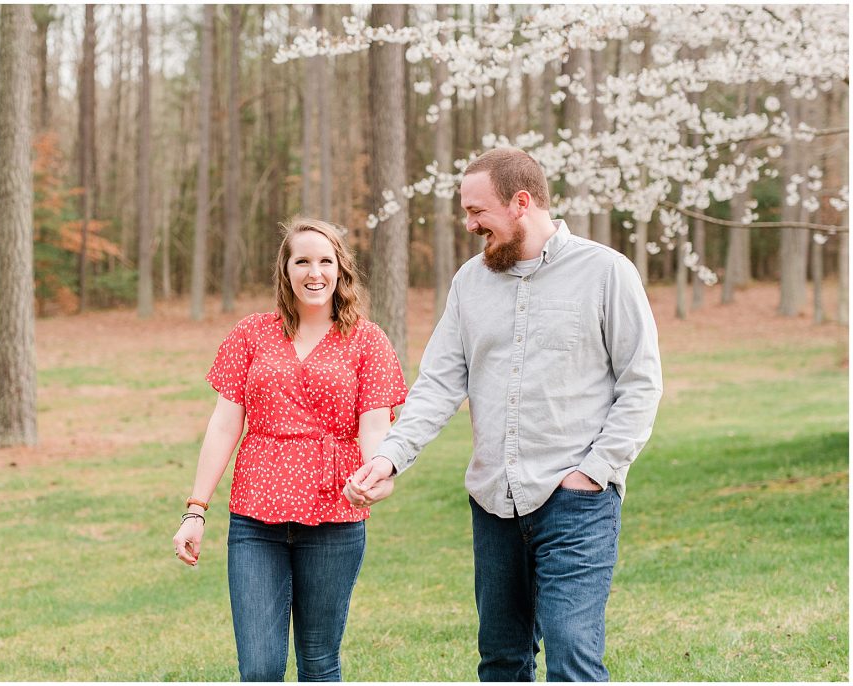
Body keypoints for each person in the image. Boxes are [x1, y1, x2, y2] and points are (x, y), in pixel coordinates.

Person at [345, 148, 663, 682]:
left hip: (576, 502)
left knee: (572, 659)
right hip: (494, 501)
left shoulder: (606, 272)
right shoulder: (470, 282)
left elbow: (641, 383)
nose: (469, 224)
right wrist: (389, 458)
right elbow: (440, 383)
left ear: (521, 203)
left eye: (477, 212)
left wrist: (594, 472)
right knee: (501, 659)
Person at [172, 217, 407, 682]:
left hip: (334, 520)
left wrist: (380, 477)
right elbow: (223, 425)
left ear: (341, 269)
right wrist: (195, 510)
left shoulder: (367, 341)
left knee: (319, 663)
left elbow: (375, 428)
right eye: (302, 261)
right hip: (256, 522)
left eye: (325, 260)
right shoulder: (251, 334)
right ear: (286, 270)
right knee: (259, 668)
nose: (314, 272)